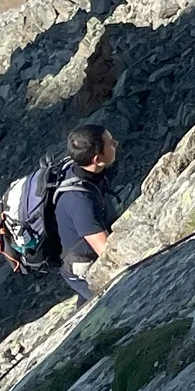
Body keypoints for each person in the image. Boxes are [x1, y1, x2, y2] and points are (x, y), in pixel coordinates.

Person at [54, 125, 120, 303]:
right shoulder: (81, 201)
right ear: (97, 159)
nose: (116, 143)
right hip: (83, 265)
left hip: (82, 253)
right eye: (110, 144)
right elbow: (106, 252)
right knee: (111, 302)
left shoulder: (84, 172)